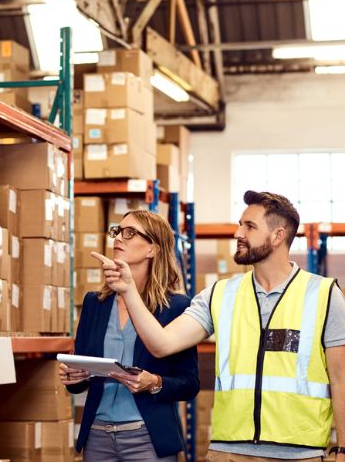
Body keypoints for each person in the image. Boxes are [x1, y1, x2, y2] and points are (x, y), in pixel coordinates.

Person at [93, 191, 345, 461]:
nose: (238, 233)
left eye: (249, 226)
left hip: (300, 453)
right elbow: (162, 344)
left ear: (277, 235)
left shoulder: (324, 295)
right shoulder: (219, 294)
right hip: (228, 450)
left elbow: (340, 378)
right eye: (239, 224)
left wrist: (343, 448)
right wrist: (129, 290)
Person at [59, 210, 200, 461]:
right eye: (117, 231)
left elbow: (189, 383)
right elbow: (82, 375)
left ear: (152, 249)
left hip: (148, 438)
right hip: (97, 436)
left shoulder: (176, 307)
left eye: (130, 233)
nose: (118, 239)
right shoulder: (95, 303)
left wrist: (154, 382)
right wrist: (74, 376)